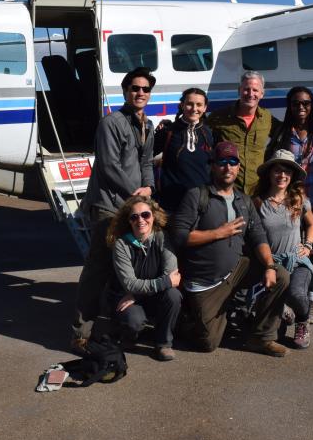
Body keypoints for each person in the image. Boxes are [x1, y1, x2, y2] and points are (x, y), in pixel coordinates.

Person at [168, 141, 291, 357]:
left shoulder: (243, 200)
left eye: (233, 162)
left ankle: (261, 338)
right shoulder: (197, 195)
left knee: (280, 274)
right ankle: (187, 320)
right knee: (208, 343)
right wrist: (218, 233)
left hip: (236, 271)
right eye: (222, 162)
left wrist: (270, 266)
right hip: (205, 283)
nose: (228, 167)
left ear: (238, 167)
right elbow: (179, 236)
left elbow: (258, 236)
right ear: (213, 166)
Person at [70, 67, 156, 353]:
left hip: (133, 205)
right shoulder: (111, 122)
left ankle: (117, 325)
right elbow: (108, 166)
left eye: (145, 89)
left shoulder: (147, 125)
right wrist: (136, 196)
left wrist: (149, 188)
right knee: (98, 268)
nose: (140, 93)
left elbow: (146, 164)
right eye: (135, 88)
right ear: (125, 91)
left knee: (128, 267)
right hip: (109, 205)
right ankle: (81, 333)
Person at [266, 86, 313, 324]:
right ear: (289, 106)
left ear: (312, 106)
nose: (301, 108)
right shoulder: (281, 132)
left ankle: (311, 301)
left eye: (306, 103)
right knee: (283, 249)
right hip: (288, 201)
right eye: (296, 103)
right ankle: (284, 297)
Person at [253, 149, 313, 349]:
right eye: (277, 171)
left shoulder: (298, 199)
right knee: (263, 321)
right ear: (269, 174)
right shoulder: (258, 202)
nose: (282, 176)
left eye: (287, 172)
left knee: (297, 294)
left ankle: (302, 320)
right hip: (271, 264)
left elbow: (312, 224)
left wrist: (308, 245)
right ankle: (283, 312)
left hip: (296, 260)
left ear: (292, 176)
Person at [106, 196, 182, 362]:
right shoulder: (121, 245)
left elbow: (172, 274)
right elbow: (130, 283)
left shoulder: (162, 237)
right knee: (134, 321)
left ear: (153, 217)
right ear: (129, 221)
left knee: (174, 296)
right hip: (128, 298)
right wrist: (163, 283)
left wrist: (138, 293)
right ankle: (130, 334)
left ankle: (164, 344)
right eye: (134, 217)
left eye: (145, 215)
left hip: (138, 296)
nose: (140, 220)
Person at [206, 70, 279, 195]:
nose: (250, 94)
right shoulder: (219, 117)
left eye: (255, 90)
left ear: (262, 93)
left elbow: (285, 131)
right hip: (227, 189)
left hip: (257, 191)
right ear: (239, 90)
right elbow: (199, 132)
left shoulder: (267, 118)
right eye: (246, 89)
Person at [153, 87, 213, 212]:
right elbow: (145, 159)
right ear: (182, 105)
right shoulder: (167, 132)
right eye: (190, 104)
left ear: (205, 107)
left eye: (199, 105)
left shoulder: (209, 133)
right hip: (172, 203)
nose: (194, 109)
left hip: (202, 202)